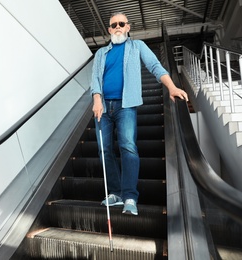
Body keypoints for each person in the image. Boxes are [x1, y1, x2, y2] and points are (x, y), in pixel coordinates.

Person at [91, 12, 188, 216]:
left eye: (121, 24)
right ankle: (115, 193)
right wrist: (97, 98)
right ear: (109, 30)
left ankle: (129, 197)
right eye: (113, 25)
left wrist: (172, 87)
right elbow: (95, 79)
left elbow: (155, 66)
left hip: (126, 105)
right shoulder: (101, 53)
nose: (117, 27)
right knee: (104, 150)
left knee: (128, 147)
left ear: (128, 27)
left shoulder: (138, 47)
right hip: (103, 108)